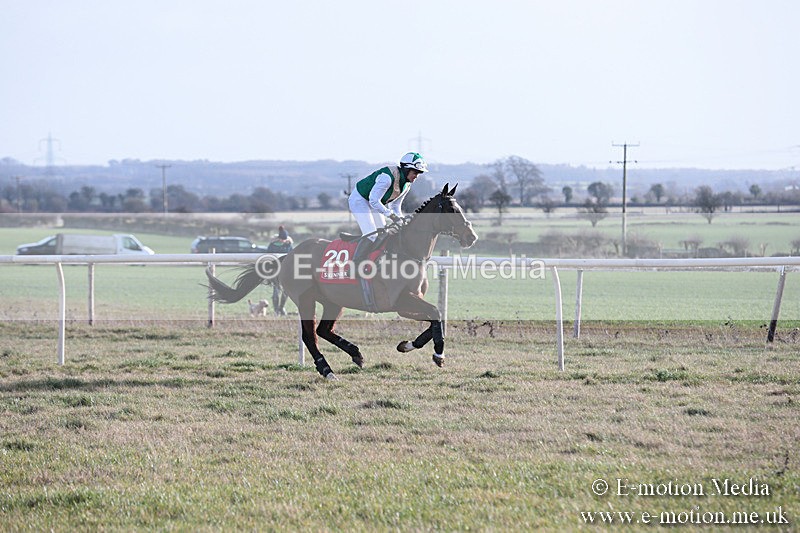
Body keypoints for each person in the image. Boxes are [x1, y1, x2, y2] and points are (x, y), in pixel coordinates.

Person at [348, 152, 428, 244]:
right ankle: (358, 254)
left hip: (373, 203)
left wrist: (401, 219)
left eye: (419, 173)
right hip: (359, 200)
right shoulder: (387, 178)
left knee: (383, 233)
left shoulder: (406, 185)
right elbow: (374, 201)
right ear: (406, 169)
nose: (416, 176)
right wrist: (391, 216)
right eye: (415, 172)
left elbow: (395, 206)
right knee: (371, 235)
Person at [265, 225, 293, 315]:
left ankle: (281, 308)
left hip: (286, 271)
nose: (283, 241)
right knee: (276, 291)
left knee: (286, 291)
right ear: (279, 238)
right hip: (275, 271)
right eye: (282, 239)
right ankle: (276, 310)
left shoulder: (289, 245)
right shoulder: (272, 245)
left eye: (284, 239)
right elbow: (268, 257)